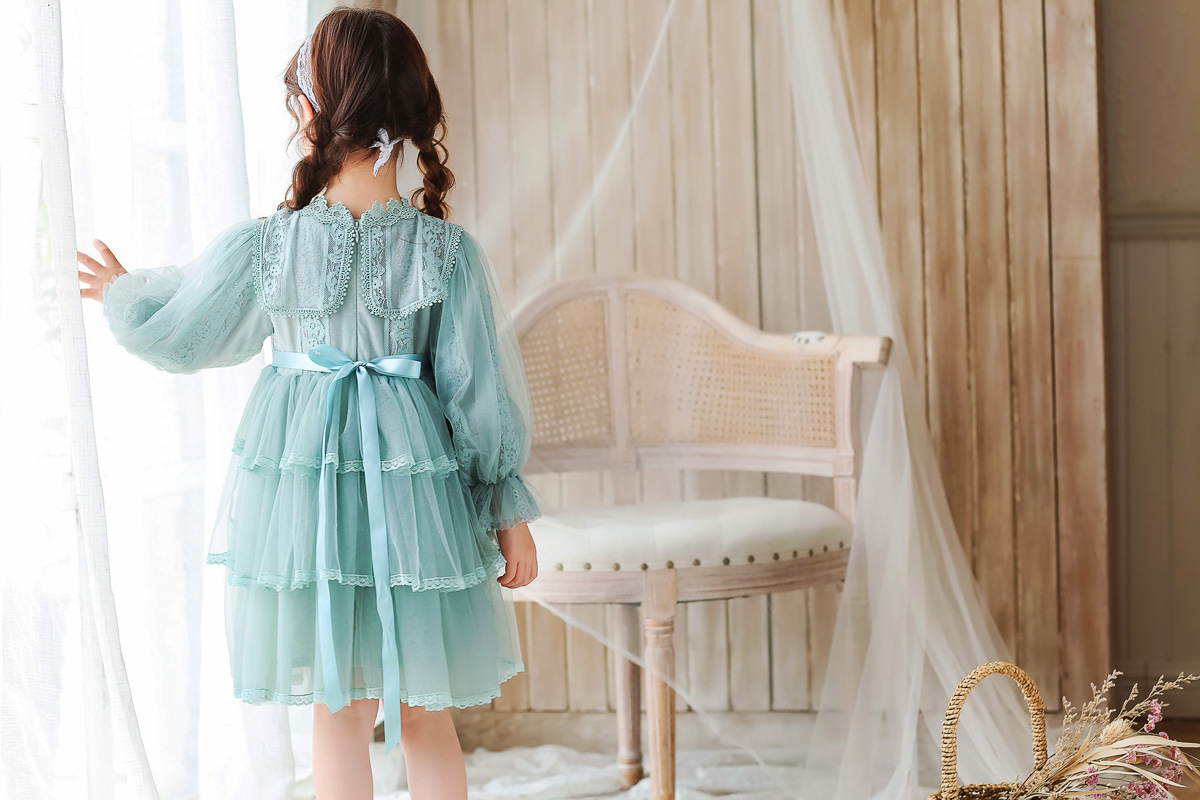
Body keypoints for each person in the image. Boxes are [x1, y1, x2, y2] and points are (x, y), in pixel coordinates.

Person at [77, 8, 540, 799]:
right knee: (420, 712)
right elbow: (478, 393)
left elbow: (189, 329)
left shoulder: (283, 245)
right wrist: (505, 509)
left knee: (347, 711)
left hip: (323, 501)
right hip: (396, 500)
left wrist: (129, 298)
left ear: (313, 109)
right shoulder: (431, 250)